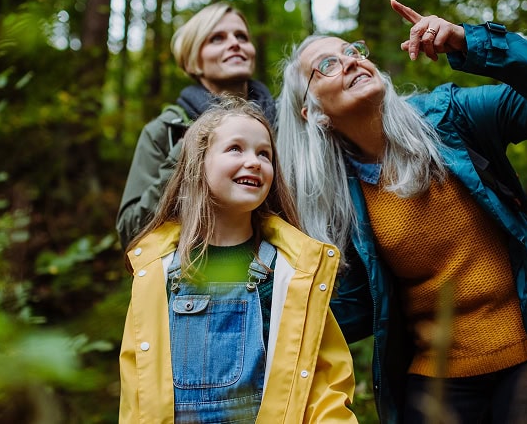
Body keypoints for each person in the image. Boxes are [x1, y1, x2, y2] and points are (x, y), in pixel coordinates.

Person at [276, 0, 527, 423]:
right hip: (438, 382)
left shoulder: (450, 117)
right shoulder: (336, 200)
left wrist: (470, 40)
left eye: (354, 51)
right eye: (329, 64)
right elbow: (351, 311)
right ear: (313, 113)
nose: (353, 62)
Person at [118, 98, 358, 423]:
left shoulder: (293, 269)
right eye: (236, 149)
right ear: (198, 163)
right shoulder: (156, 269)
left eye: (264, 154)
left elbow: (325, 382)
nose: (254, 162)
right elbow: (137, 390)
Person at [116, 2, 276, 250]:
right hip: (194, 278)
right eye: (217, 38)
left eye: (242, 37)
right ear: (194, 62)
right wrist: (181, 157)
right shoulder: (167, 130)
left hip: (288, 278)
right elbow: (130, 231)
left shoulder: (285, 120)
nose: (234, 43)